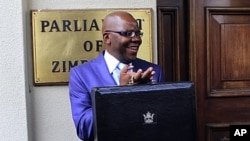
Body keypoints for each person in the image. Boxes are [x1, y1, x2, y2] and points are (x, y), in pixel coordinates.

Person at [69, 11, 165, 141]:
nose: (136, 39)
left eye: (138, 33)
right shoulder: (81, 75)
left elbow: (162, 122)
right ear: (107, 38)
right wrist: (119, 94)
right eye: (128, 34)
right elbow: (84, 130)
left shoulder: (153, 71)